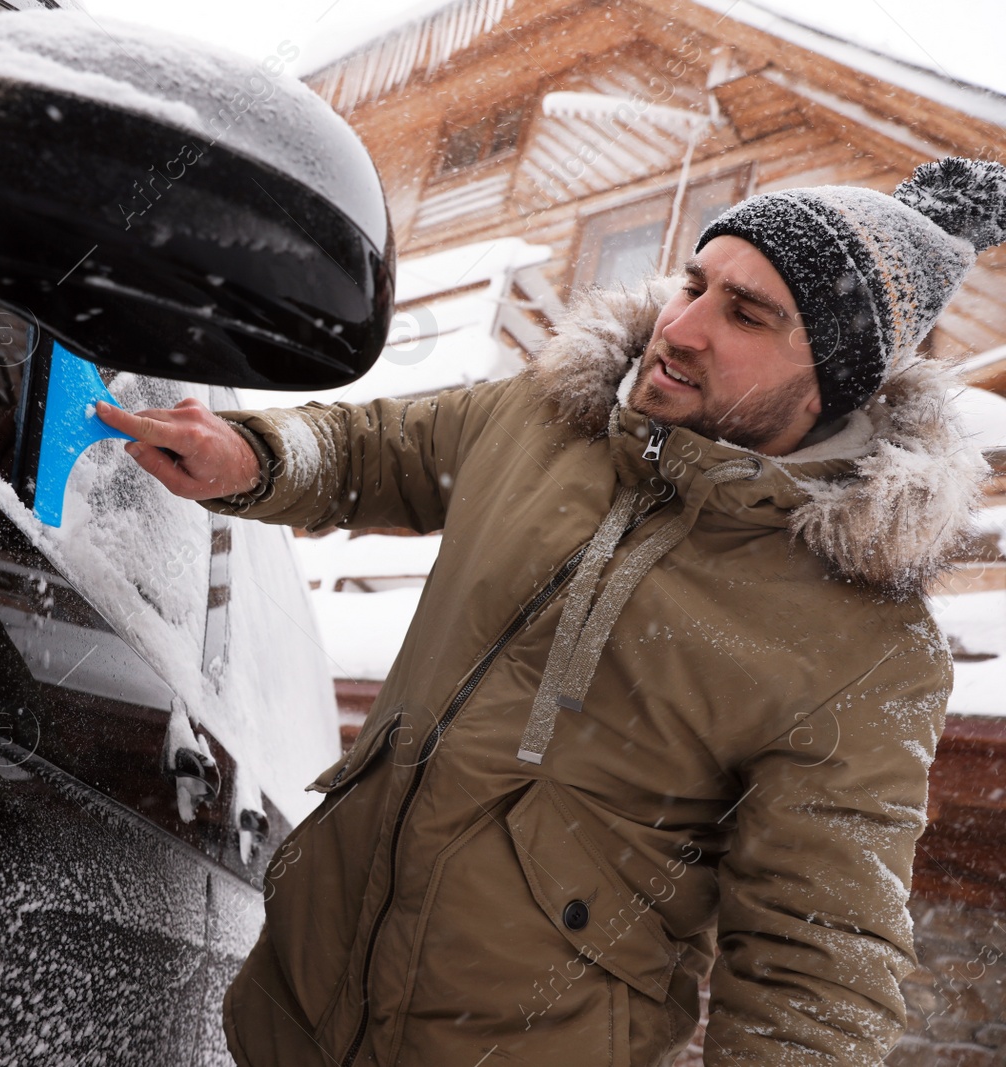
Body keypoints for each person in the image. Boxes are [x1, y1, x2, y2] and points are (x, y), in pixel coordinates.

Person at [96, 157, 1005, 1065]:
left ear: (833, 383)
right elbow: (382, 451)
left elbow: (816, 963)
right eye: (695, 283)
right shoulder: (550, 419)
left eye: (746, 313)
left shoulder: (861, 641)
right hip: (290, 1016)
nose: (679, 327)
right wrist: (256, 457)